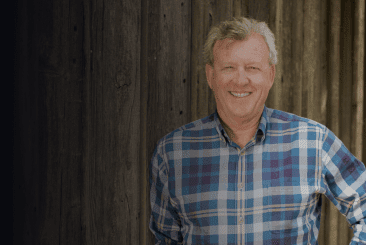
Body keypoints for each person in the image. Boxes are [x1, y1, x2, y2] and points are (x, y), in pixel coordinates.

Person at [149, 16, 366, 244]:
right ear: (210, 76)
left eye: (252, 68)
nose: (241, 80)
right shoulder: (172, 154)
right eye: (229, 67)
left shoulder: (312, 141)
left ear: (270, 75)